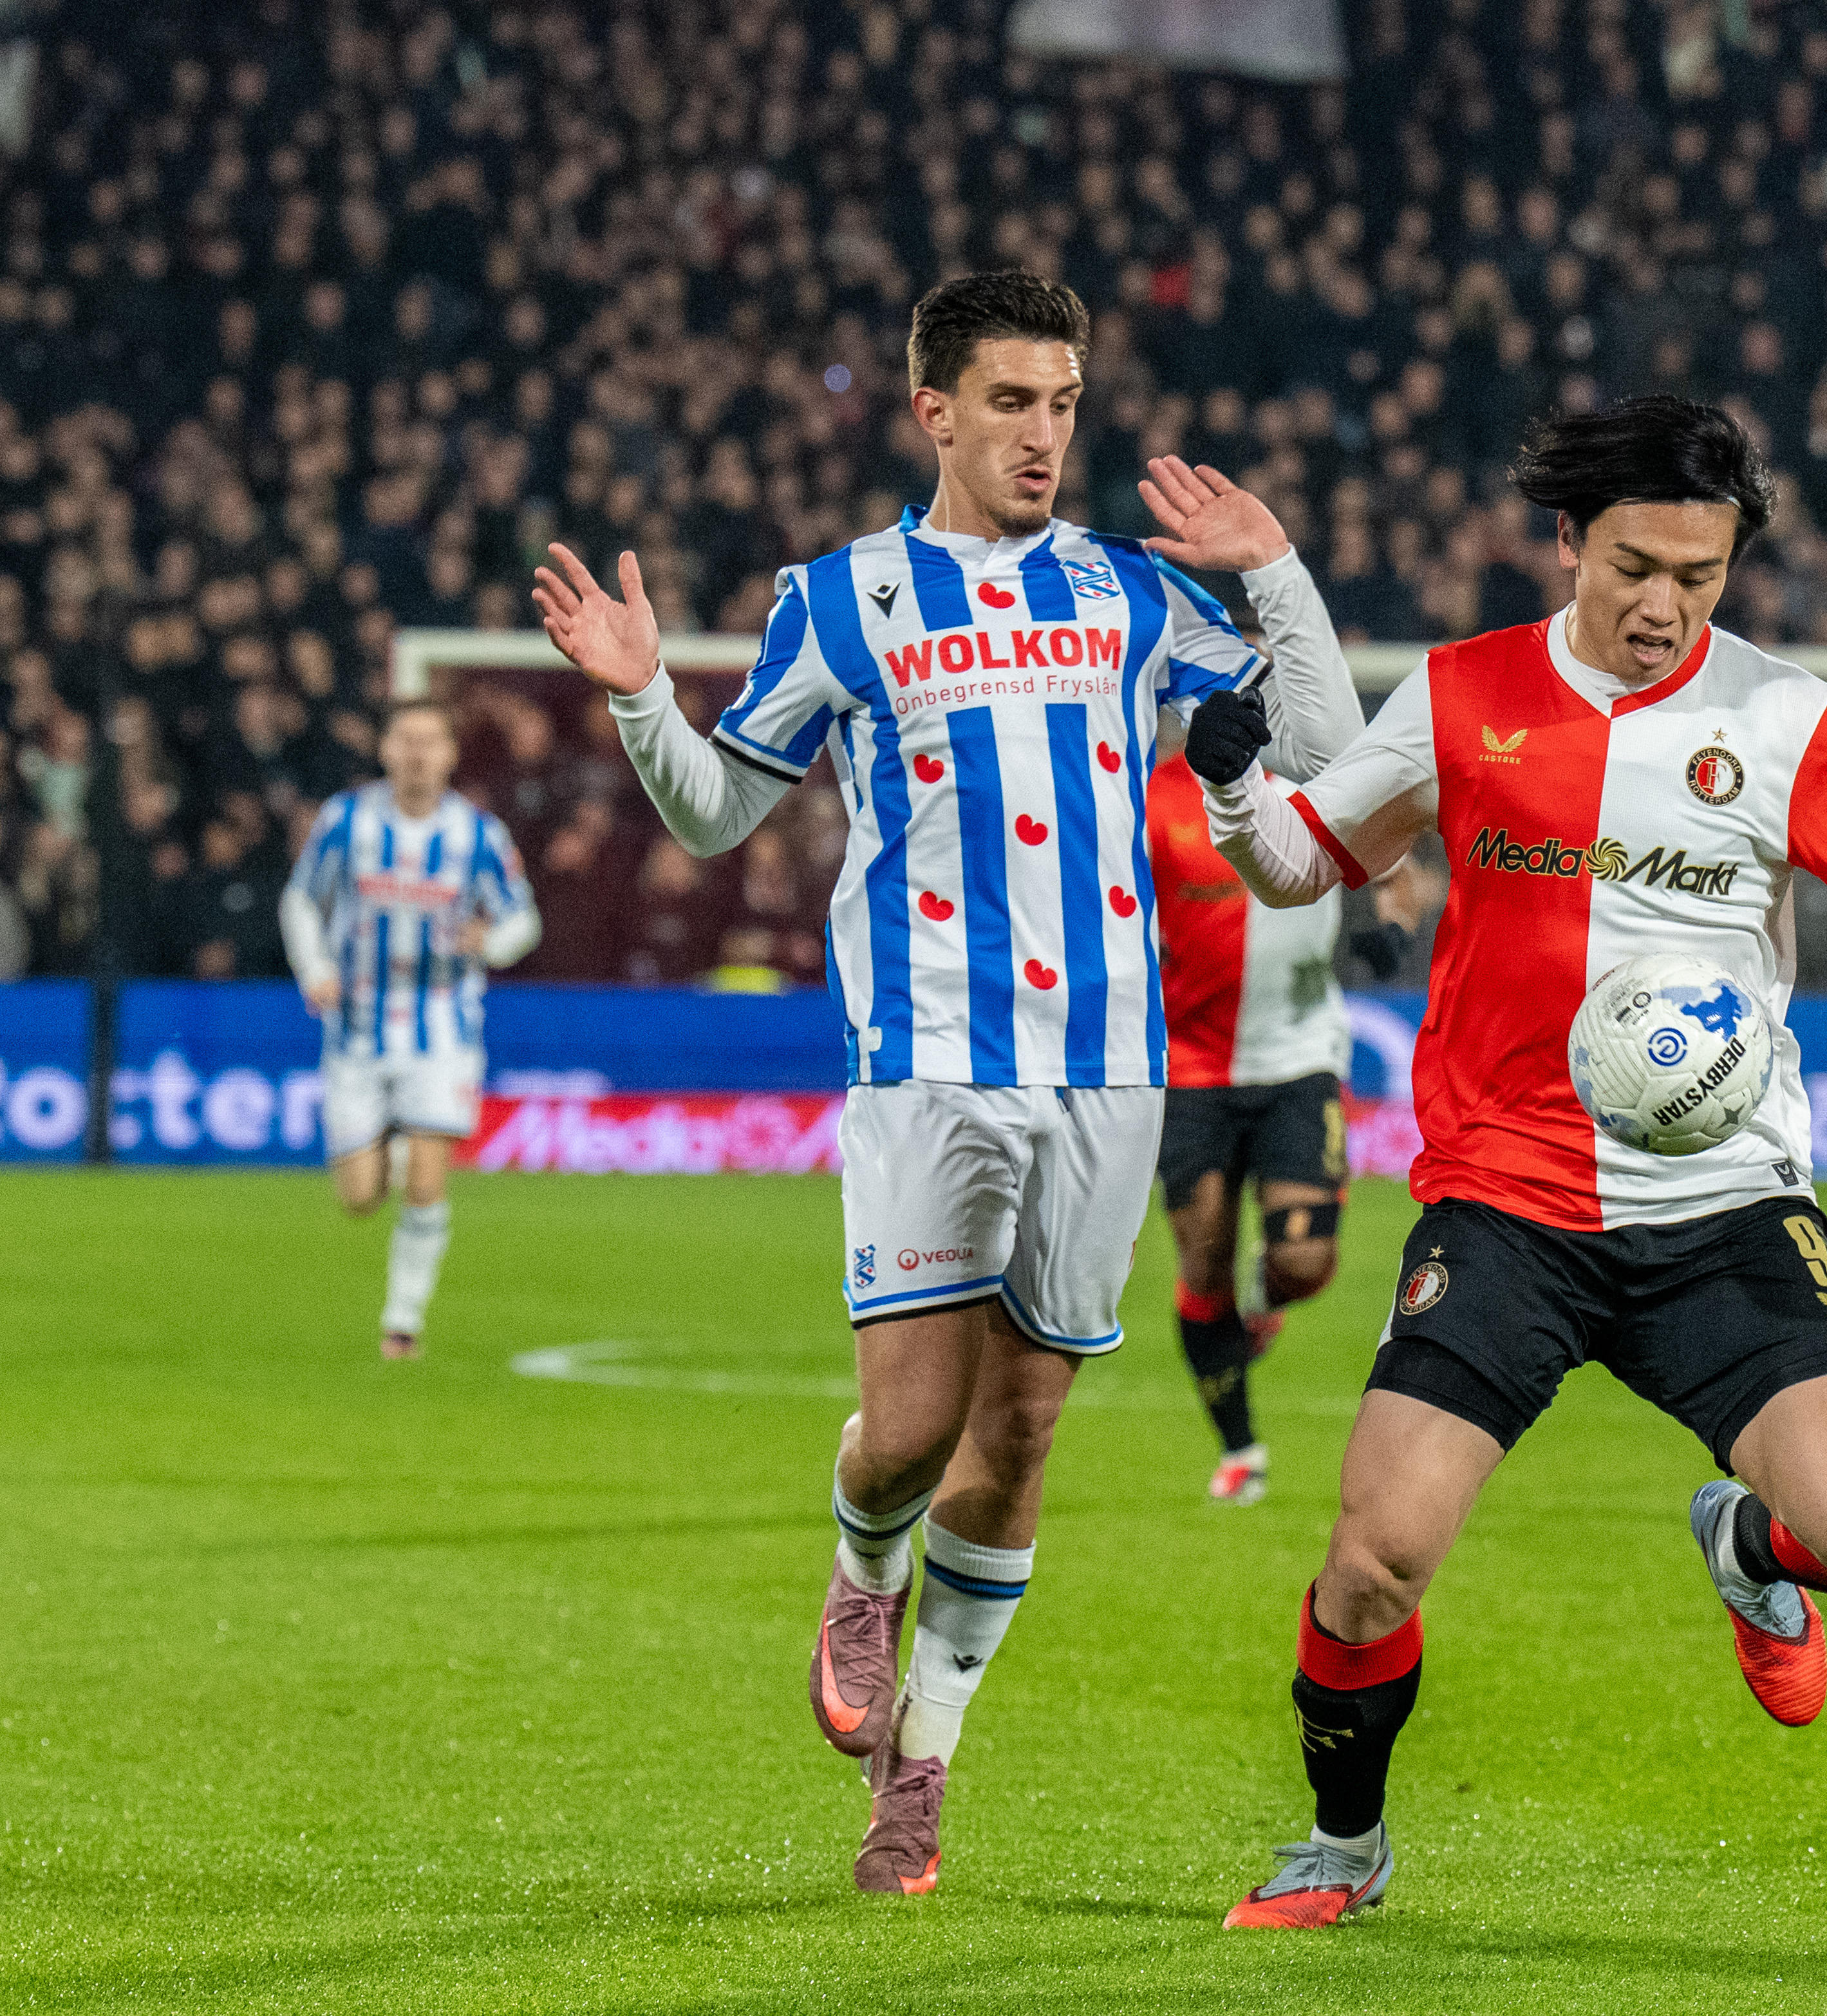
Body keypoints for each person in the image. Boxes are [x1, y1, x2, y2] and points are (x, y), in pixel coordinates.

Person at [1186, 396, 1827, 1928]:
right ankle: (1341, 1842)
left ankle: (1744, 1540)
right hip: (1507, 1200)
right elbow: (1309, 860)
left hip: (1723, 1209)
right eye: (1634, 566)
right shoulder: (1459, 694)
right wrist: (1236, 791)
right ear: (1568, 543)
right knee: (1373, 1560)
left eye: (1698, 578)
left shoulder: (1787, 723)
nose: (1662, 606)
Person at [530, 270, 1365, 1895]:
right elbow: (712, 814)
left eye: (1061, 402)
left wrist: (1275, 577)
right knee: (912, 1432)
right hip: (923, 1059)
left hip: (1111, 1065)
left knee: (1023, 1437)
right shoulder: (840, 601)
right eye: (1008, 401)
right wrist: (642, 694)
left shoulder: (1133, 595)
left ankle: (919, 1771)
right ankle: (860, 1566)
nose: (1042, 433)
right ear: (934, 411)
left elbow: (1325, 753)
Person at [1146, 740, 1422, 1504]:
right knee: (1203, 1264)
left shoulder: (1326, 787)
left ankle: (1262, 1307)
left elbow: (1403, 874)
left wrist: (1392, 930)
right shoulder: (1151, 801)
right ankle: (1240, 1448)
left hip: (1300, 1058)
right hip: (1191, 1067)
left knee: (1302, 1263)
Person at [278, 699, 538, 1359]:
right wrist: (314, 968)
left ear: (450, 753)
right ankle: (388, 1150)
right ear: (386, 749)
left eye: (431, 740)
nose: (418, 752)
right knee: (360, 1198)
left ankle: (402, 1324)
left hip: (442, 1026)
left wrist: (492, 942)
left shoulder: (479, 834)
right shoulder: (346, 821)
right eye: (406, 739)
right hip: (356, 1028)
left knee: (427, 1182)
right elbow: (302, 898)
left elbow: (521, 919)